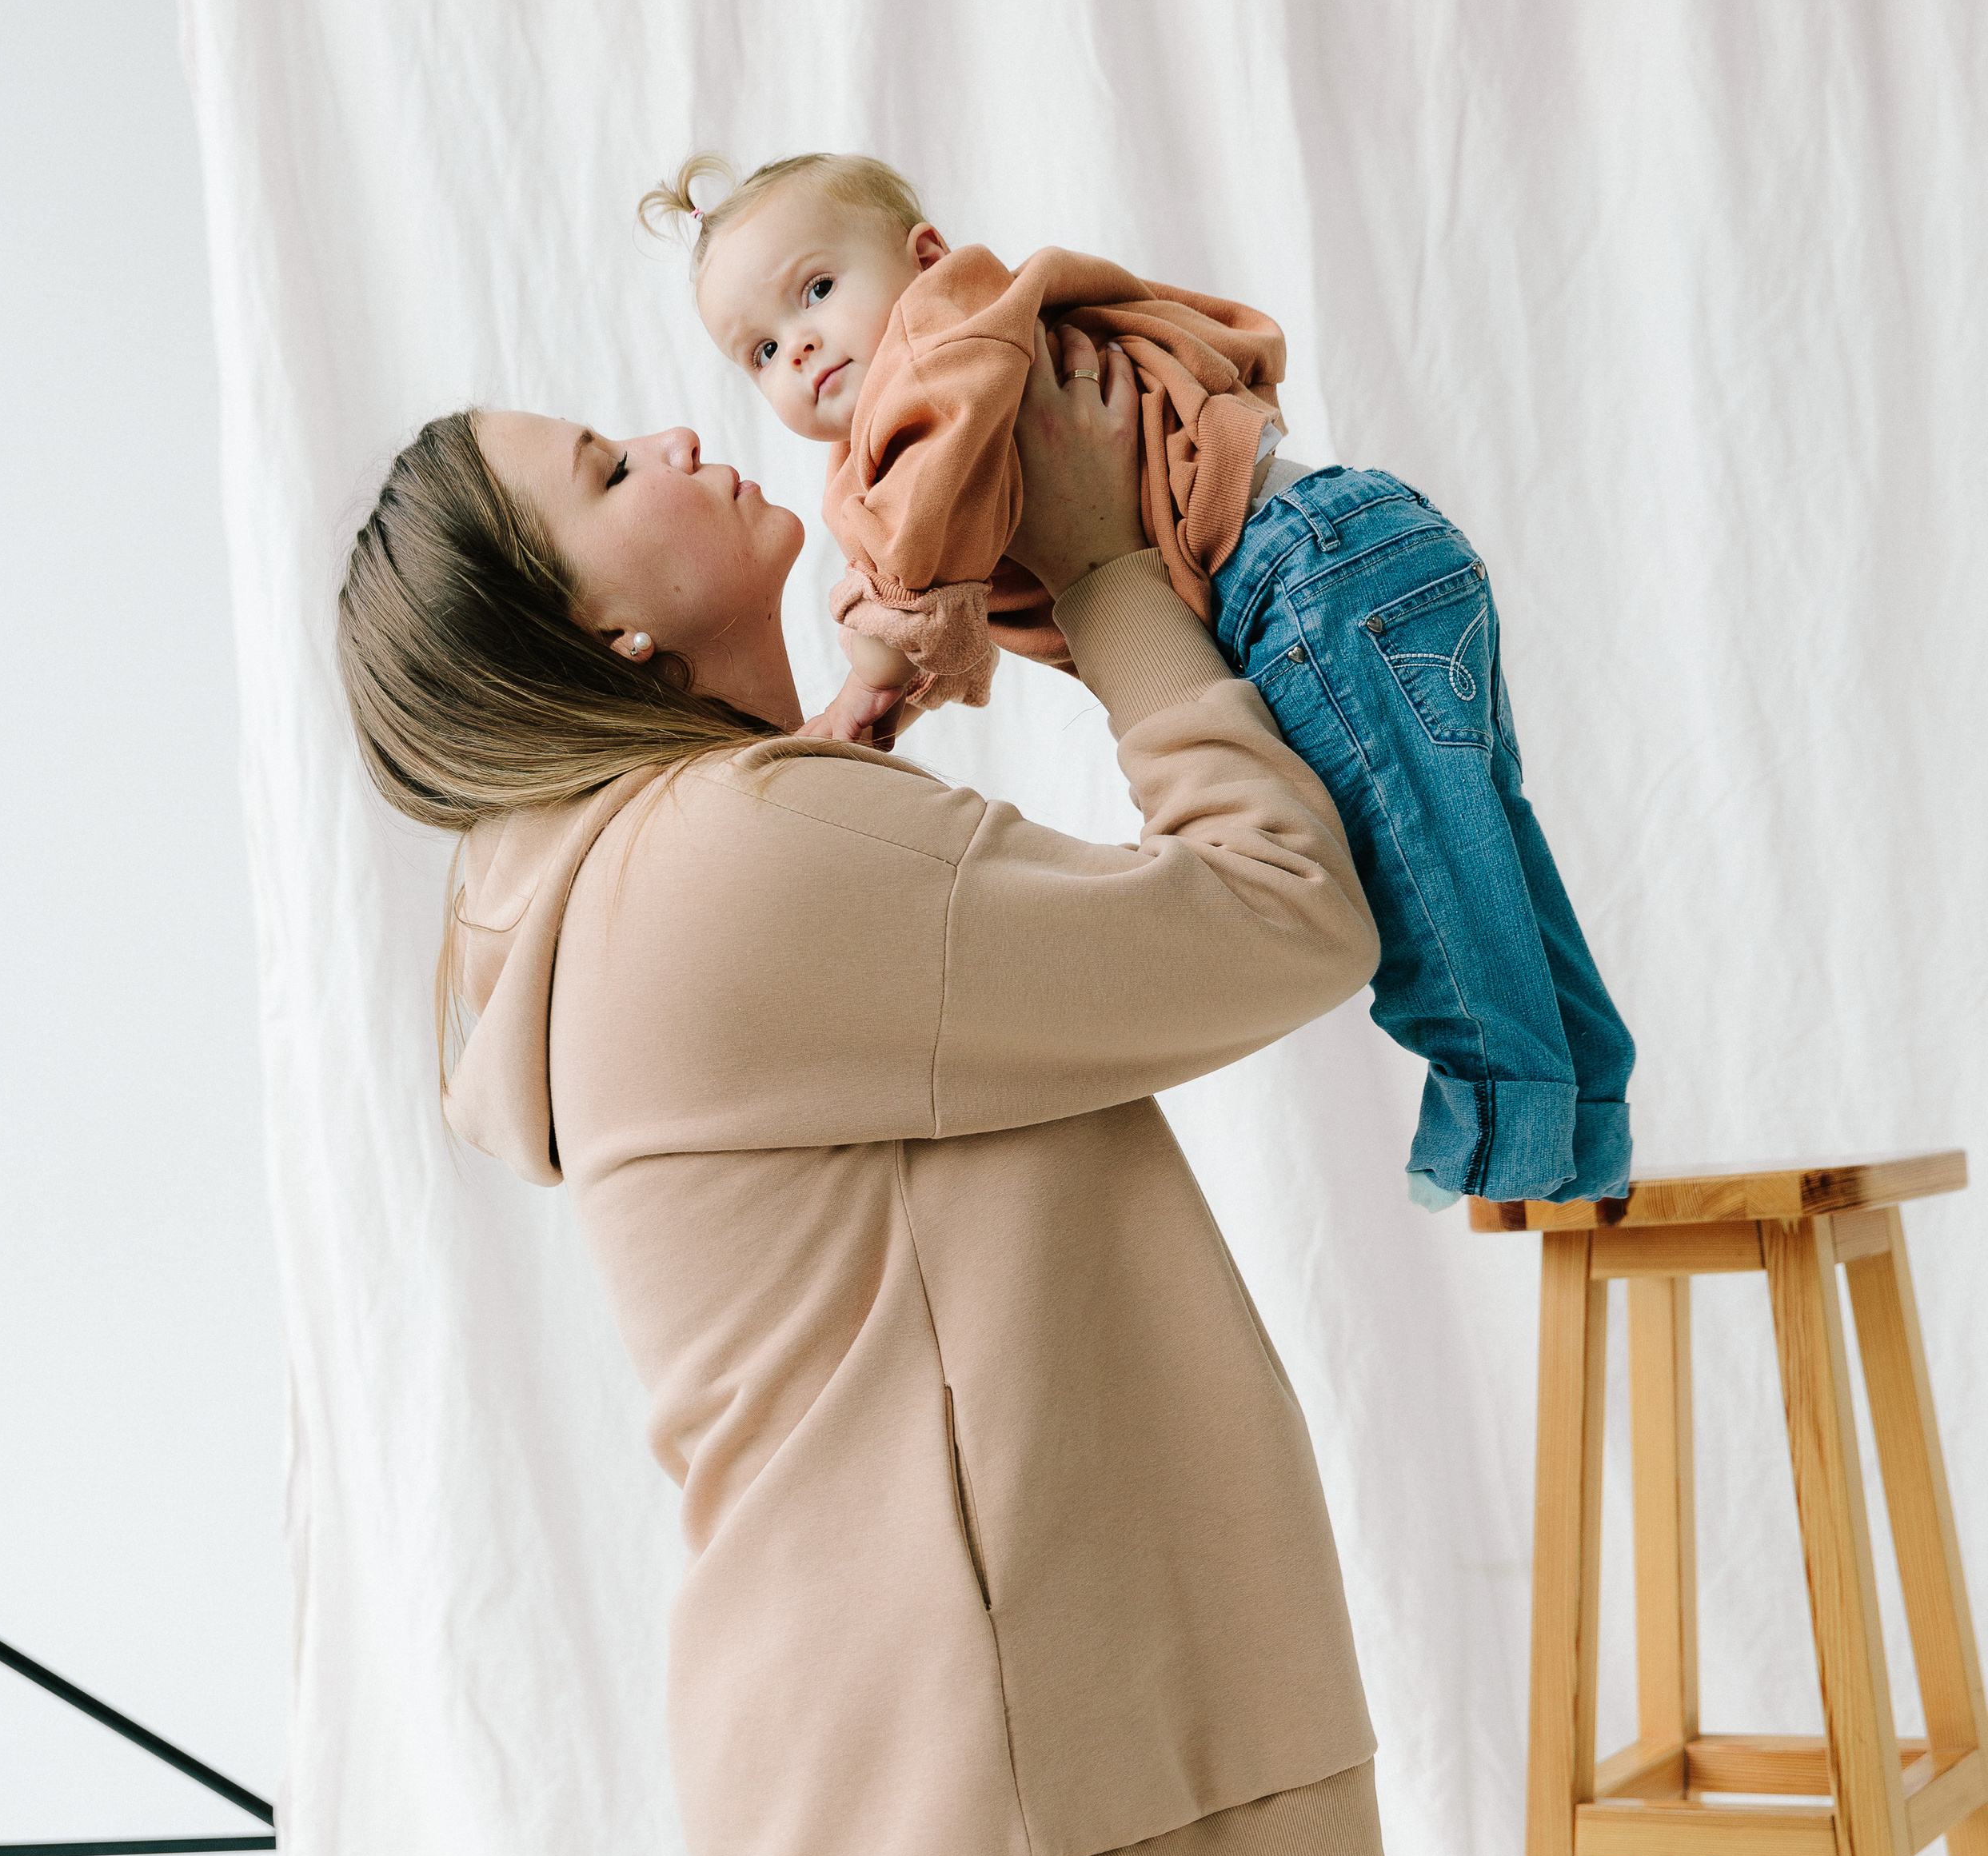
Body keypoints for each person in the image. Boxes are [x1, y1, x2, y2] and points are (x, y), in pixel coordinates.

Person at [199, 329, 1383, 1856]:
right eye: (612, 468)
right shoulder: (752, 870)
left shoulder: (665, 866)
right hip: (952, 1777)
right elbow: (1284, 918)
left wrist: (849, 733)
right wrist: (1095, 575)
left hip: (1030, 1711)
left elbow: (841, 951)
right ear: (603, 632)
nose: (689, 440)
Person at [648, 146, 1635, 1213]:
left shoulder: (946, 346)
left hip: (1303, 576)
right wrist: (905, 684)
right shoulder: (947, 400)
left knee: (1422, 870)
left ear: (924, 258)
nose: (799, 347)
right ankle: (1588, 1120)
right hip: (1355, 555)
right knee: (1481, 848)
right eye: (759, 350)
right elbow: (960, 558)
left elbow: (921, 546)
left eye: (817, 291)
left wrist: (869, 681)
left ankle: (1504, 1126)